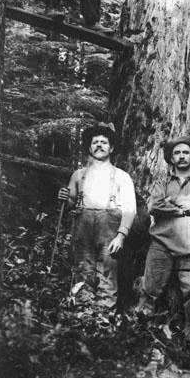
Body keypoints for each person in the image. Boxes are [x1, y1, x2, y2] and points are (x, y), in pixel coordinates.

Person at [137, 137, 190, 352]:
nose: (181, 156)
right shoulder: (161, 184)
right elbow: (154, 205)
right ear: (171, 158)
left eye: (185, 152)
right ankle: (141, 335)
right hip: (161, 241)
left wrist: (171, 204)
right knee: (149, 289)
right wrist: (182, 209)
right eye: (177, 153)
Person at [58, 122, 137, 309]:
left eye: (104, 142)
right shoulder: (78, 175)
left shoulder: (121, 176)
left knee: (107, 274)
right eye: (95, 142)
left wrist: (121, 235)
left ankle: (103, 318)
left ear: (112, 148)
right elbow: (70, 204)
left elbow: (130, 209)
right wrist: (64, 198)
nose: (99, 145)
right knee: (83, 271)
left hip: (109, 231)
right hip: (83, 230)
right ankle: (84, 316)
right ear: (89, 146)